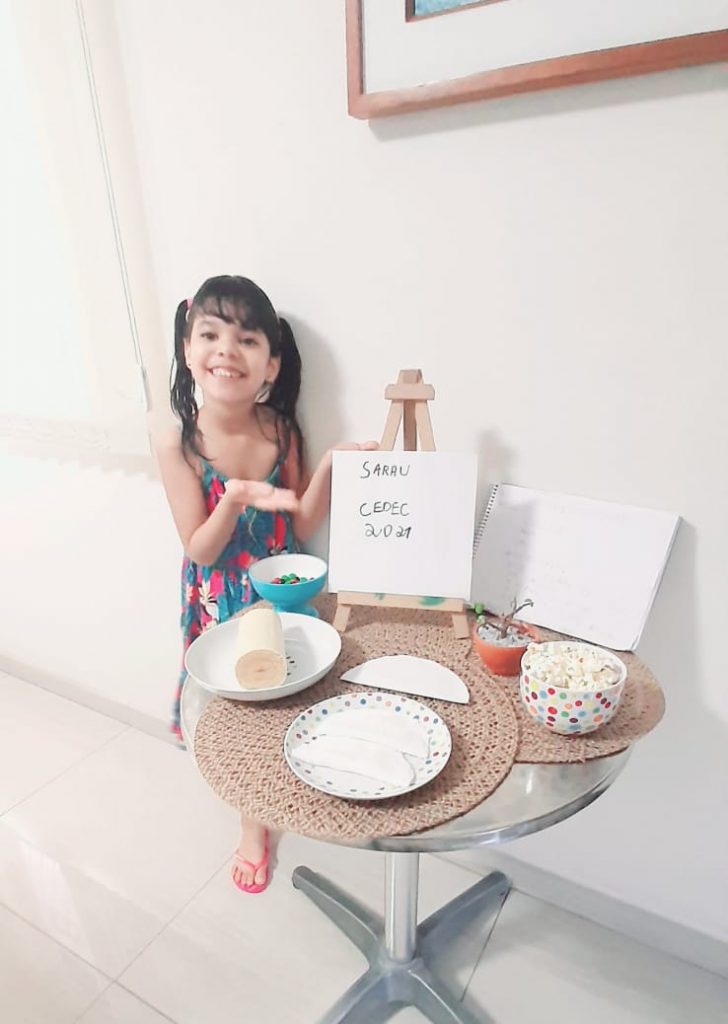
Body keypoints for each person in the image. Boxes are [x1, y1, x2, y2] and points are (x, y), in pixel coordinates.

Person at [154, 274, 376, 893]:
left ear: (270, 365)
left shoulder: (281, 429)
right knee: (240, 708)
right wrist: (235, 498)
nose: (227, 349)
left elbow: (301, 520)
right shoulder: (179, 442)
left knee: (288, 694)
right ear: (188, 349)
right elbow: (199, 546)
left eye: (247, 339)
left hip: (284, 589)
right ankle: (252, 824)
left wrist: (329, 464)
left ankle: (289, 786)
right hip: (220, 597)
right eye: (210, 334)